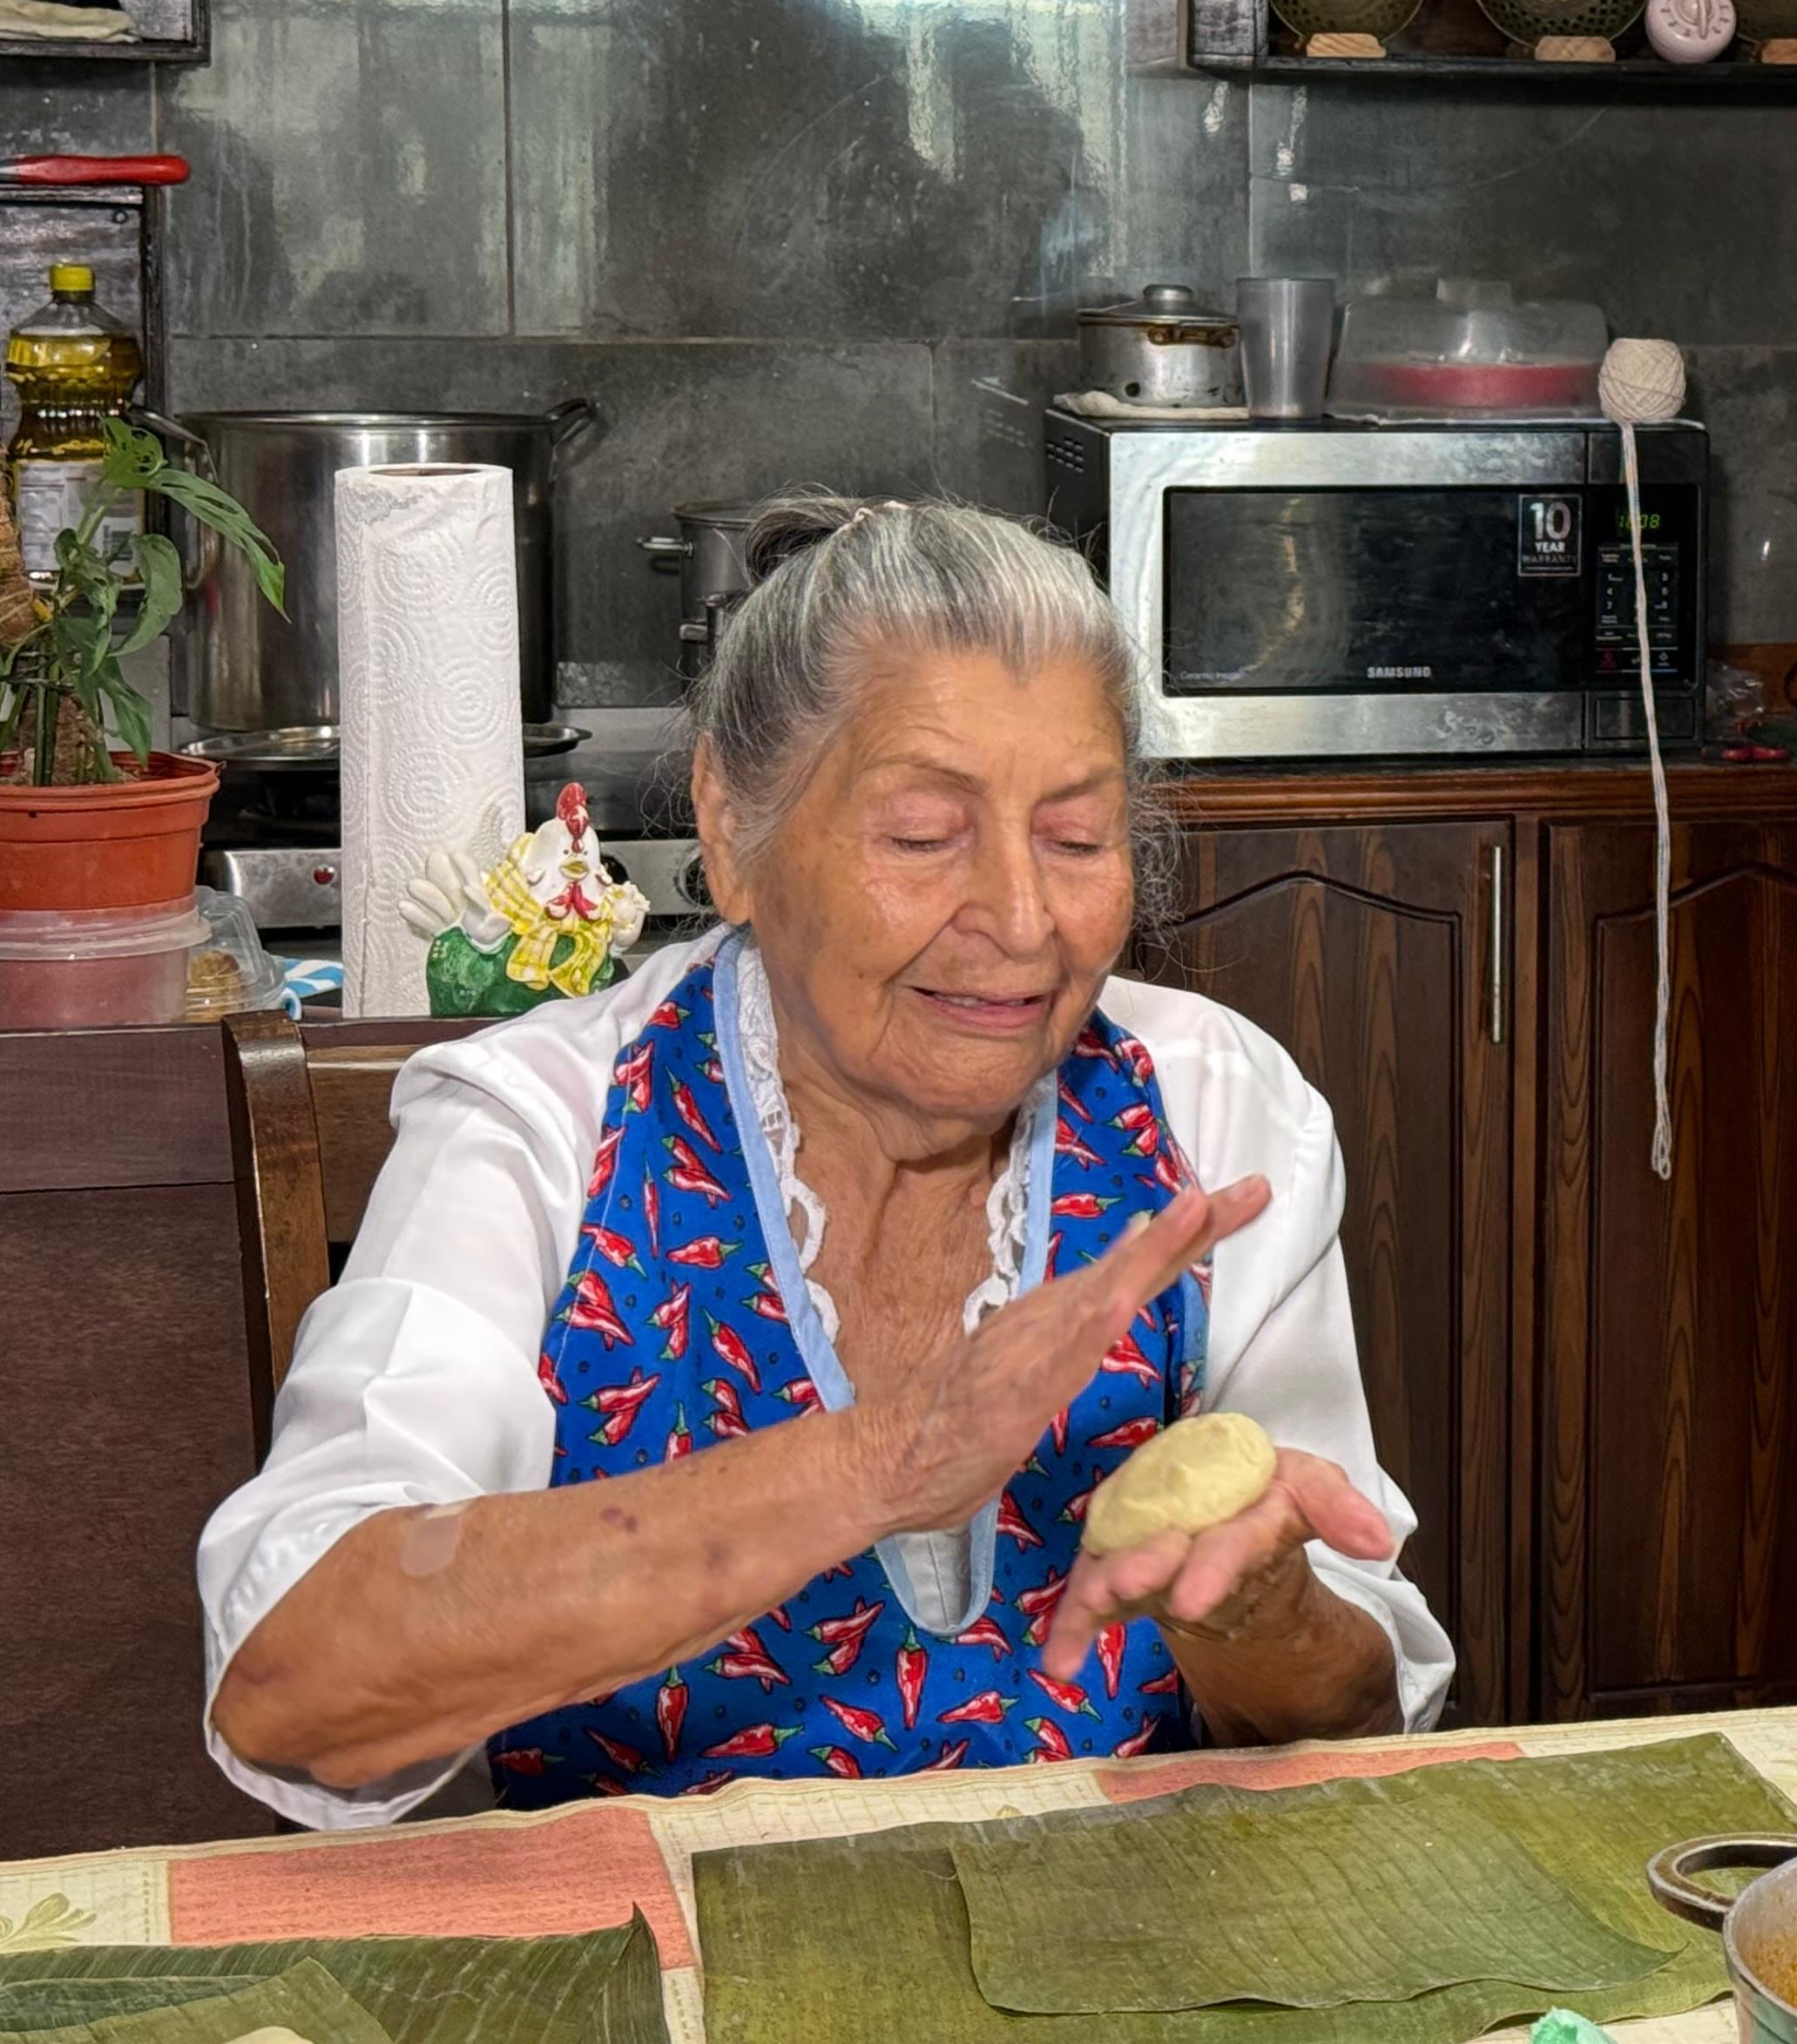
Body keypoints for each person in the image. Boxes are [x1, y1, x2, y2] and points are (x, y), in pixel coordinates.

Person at [200, 500, 1449, 1822]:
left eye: (1078, 841)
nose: (1024, 922)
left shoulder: (1214, 1117)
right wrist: (885, 1459)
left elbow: (1354, 1723)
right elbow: (294, 1690)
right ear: (733, 834)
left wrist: (1253, 1618)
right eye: (922, 835)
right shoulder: (544, 1128)